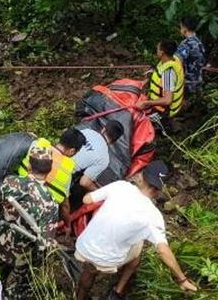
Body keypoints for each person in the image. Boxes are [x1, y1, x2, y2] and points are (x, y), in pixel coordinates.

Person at [75, 160, 197, 300]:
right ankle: (118, 291)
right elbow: (163, 250)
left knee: (89, 271)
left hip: (84, 246)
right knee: (138, 245)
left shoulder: (120, 186)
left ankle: (80, 297)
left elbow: (86, 200)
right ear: (160, 189)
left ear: (141, 176)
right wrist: (182, 279)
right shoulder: (153, 215)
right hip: (107, 260)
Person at [0, 144, 58, 299]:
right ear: (50, 171)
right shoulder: (50, 204)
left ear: (29, 165)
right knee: (13, 291)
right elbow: (44, 245)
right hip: (22, 258)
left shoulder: (10, 183)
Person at [17, 131, 84, 228]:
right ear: (72, 151)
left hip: (17, 191)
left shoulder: (38, 144)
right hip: (33, 214)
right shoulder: (67, 171)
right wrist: (67, 225)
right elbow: (65, 206)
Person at [136, 40, 185, 118]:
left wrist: (146, 103)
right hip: (161, 100)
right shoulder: (173, 59)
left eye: (157, 49)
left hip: (164, 110)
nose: (156, 51)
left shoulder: (168, 74)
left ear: (162, 53)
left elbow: (167, 100)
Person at [73, 121, 125, 191]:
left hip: (55, 157)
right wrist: (100, 192)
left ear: (103, 129)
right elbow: (84, 182)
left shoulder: (87, 131)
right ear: (114, 141)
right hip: (63, 174)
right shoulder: (104, 158)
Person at [176, 17, 206, 94]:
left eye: (181, 27)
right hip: (198, 83)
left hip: (187, 85)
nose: (180, 30)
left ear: (185, 28)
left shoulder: (187, 44)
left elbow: (176, 62)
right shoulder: (199, 43)